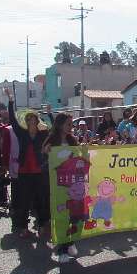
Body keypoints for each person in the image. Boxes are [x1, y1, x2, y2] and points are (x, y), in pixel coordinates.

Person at [6, 87, 50, 238]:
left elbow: (52, 129)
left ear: (37, 121)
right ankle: (23, 227)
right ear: (26, 121)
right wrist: (11, 101)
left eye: (34, 119)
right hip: (24, 171)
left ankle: (42, 225)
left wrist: (49, 113)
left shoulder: (43, 134)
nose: (31, 121)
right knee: (24, 201)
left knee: (41, 200)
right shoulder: (22, 133)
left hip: (39, 171)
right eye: (29, 119)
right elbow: (12, 119)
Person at [43, 112, 81, 263]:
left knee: (74, 215)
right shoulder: (52, 140)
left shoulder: (72, 139)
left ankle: (70, 242)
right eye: (68, 124)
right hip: (58, 184)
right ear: (60, 125)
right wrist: (47, 152)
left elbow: (79, 156)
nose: (71, 127)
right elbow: (45, 154)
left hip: (72, 183)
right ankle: (62, 249)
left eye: (71, 125)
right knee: (61, 216)